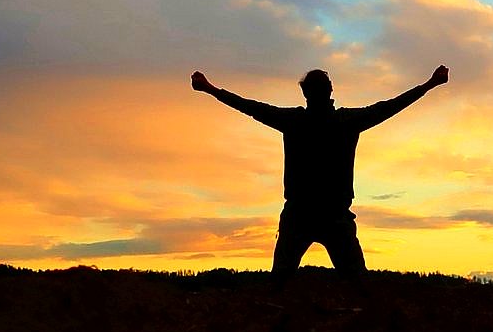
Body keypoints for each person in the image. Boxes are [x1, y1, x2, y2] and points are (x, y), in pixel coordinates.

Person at [191, 65, 450, 277]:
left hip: (305, 214)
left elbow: (250, 107)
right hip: (326, 216)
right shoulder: (345, 121)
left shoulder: (296, 121)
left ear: (305, 94)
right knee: (357, 284)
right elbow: (391, 106)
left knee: (282, 281)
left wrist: (210, 89)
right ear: (330, 91)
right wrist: (429, 84)